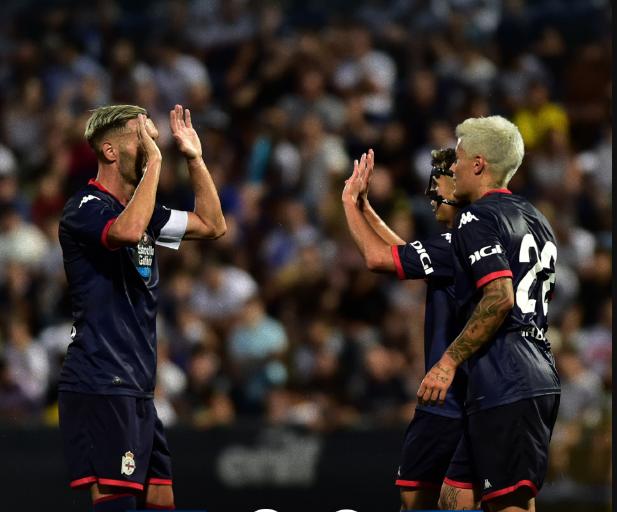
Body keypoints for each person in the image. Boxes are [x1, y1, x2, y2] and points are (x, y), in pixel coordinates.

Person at [57, 104, 226, 511]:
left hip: (138, 387)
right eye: (143, 136)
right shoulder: (85, 208)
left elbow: (213, 225)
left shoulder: (146, 212)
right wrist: (156, 163)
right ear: (111, 151)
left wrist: (194, 158)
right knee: (118, 501)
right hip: (100, 381)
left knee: (161, 501)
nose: (153, 144)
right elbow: (126, 232)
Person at [417, 116, 560, 512]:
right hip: (523, 370)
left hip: (508, 375)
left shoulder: (476, 216)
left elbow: (500, 298)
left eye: (458, 158)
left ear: (478, 164)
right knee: (455, 497)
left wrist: (447, 361)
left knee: (508, 505)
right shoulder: (536, 218)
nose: (453, 168)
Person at [342, 148, 477, 510]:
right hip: (476, 396)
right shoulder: (473, 243)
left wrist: (348, 203)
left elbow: (377, 258)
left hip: (445, 399)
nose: (432, 193)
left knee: (419, 501)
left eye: (439, 182)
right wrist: (367, 208)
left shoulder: (455, 244)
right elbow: (405, 252)